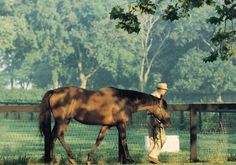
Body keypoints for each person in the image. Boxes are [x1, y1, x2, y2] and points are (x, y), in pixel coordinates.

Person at [147, 83, 168, 164]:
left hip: (150, 117)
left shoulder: (153, 95)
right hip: (154, 118)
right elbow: (154, 109)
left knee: (153, 137)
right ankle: (153, 156)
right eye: (165, 90)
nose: (165, 91)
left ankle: (153, 157)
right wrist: (158, 120)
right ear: (161, 89)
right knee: (162, 138)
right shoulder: (155, 97)